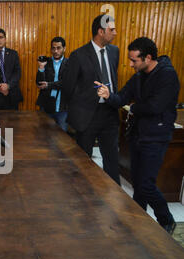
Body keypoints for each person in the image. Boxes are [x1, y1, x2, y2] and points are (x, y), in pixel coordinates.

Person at [96, 37, 179, 234]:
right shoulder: (139, 76)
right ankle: (137, 218)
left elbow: (156, 106)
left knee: (146, 183)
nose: (131, 64)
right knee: (136, 181)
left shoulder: (167, 76)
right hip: (137, 135)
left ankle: (166, 219)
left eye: (134, 60)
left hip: (156, 136)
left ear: (148, 57)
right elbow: (122, 97)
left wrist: (134, 108)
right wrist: (109, 96)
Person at [62, 14, 120, 184]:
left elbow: (113, 79)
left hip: (109, 113)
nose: (115, 33)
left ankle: (114, 200)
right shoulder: (79, 55)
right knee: (82, 163)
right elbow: (68, 87)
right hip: (87, 116)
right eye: (112, 29)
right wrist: (80, 106)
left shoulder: (114, 52)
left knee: (112, 160)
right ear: (100, 31)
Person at [36, 37, 69, 131]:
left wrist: (48, 85)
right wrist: (41, 68)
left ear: (64, 48)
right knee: (43, 136)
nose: (55, 51)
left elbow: (66, 83)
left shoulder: (70, 64)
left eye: (58, 48)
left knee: (62, 139)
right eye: (53, 48)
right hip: (46, 107)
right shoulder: (47, 62)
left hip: (62, 108)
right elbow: (39, 83)